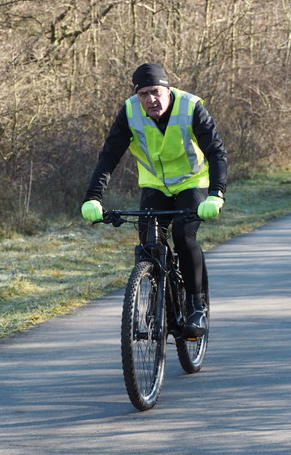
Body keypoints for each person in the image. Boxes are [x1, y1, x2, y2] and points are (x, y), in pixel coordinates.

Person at [80, 63, 228, 338]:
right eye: (144, 94)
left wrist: (216, 194)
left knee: (184, 235)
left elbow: (216, 152)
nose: (151, 99)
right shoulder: (130, 112)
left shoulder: (190, 107)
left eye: (156, 92)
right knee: (149, 243)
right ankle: (159, 304)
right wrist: (93, 197)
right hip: (155, 184)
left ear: (168, 90)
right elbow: (109, 156)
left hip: (191, 181)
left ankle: (196, 306)